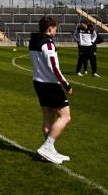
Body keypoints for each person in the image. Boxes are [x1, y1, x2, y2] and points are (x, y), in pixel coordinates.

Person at [29, 16, 72, 164]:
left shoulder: (34, 40)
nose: (56, 30)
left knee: (48, 117)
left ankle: (50, 150)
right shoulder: (47, 44)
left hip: (38, 83)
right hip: (50, 84)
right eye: (55, 28)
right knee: (65, 117)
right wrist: (66, 85)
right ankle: (47, 147)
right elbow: (54, 67)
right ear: (49, 28)